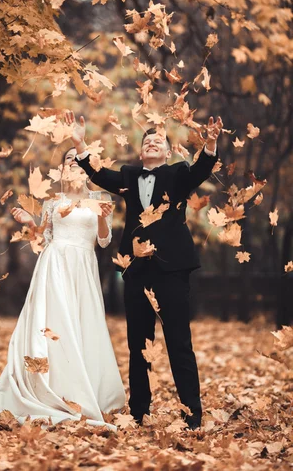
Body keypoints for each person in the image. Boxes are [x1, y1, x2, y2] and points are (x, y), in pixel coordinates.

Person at [65, 111, 223, 430]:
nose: (152, 142)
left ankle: (192, 413)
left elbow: (201, 169)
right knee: (138, 344)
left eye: (158, 141)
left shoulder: (178, 174)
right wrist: (80, 145)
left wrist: (211, 143)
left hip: (173, 270)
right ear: (140, 153)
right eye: (147, 140)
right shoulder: (128, 175)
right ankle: (138, 412)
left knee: (179, 341)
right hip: (136, 270)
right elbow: (99, 176)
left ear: (165, 152)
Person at [0, 147, 126, 427]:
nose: (73, 163)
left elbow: (103, 240)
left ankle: (87, 391)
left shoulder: (101, 198)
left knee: (81, 324)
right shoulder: (54, 203)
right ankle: (50, 387)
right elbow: (43, 238)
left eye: (79, 160)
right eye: (68, 159)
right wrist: (30, 222)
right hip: (54, 265)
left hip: (83, 266)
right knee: (56, 324)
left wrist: (102, 215)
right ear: (62, 169)